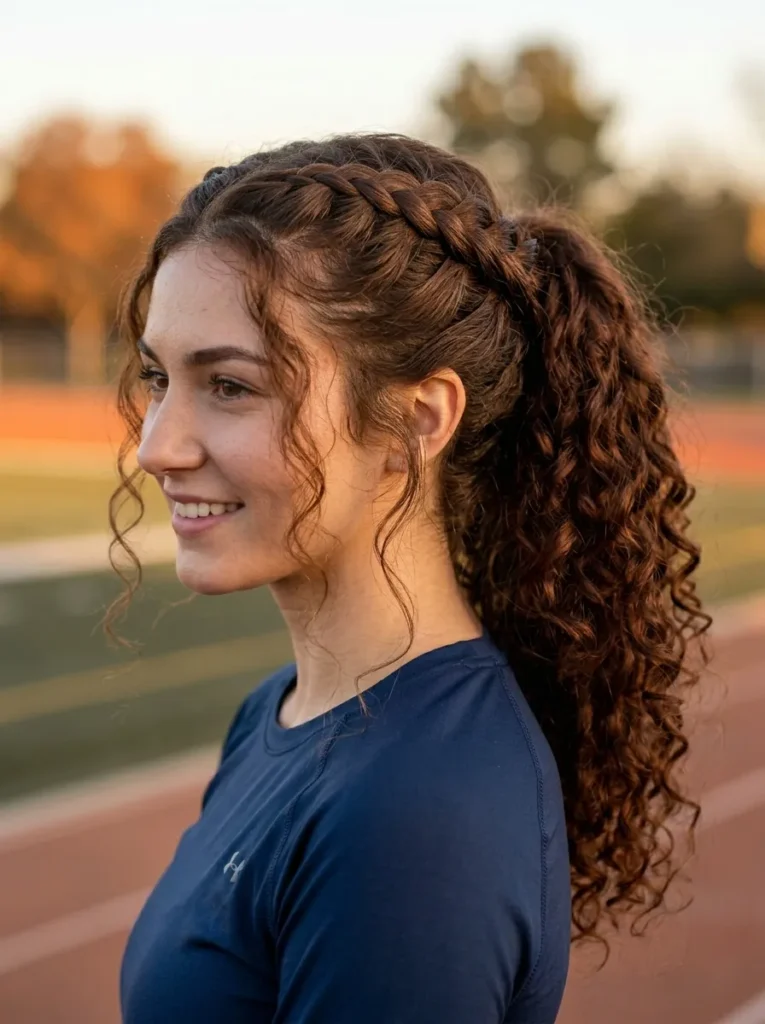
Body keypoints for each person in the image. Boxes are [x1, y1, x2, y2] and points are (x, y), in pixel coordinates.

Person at [108, 133, 711, 1023]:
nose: (157, 445)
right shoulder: (278, 714)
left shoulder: (416, 815)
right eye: (161, 377)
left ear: (415, 421)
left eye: (231, 386)